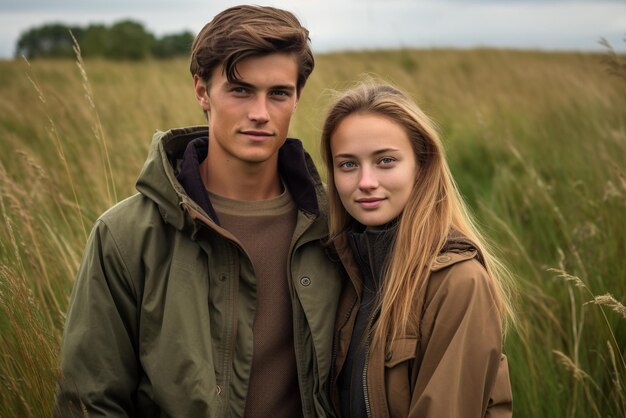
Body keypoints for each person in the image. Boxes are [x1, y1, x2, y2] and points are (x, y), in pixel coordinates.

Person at [54, 5, 343, 417]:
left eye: (278, 93)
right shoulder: (125, 235)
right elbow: (89, 402)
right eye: (240, 90)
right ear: (202, 91)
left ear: (296, 97)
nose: (260, 113)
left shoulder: (337, 224)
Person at [320, 82, 515, 417]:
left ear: (421, 166)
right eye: (348, 164)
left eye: (385, 161)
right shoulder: (340, 267)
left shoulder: (458, 282)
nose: (366, 181)